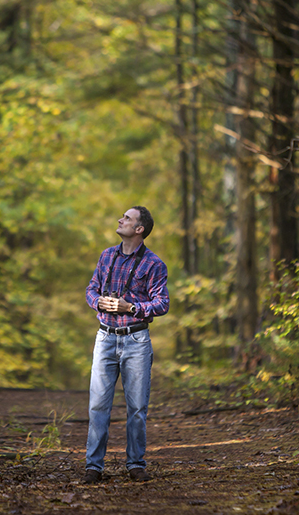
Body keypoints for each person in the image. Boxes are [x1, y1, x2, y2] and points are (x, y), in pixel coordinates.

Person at [83, 206, 169, 483]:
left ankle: (135, 464)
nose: (121, 220)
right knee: (98, 405)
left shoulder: (155, 264)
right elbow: (91, 289)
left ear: (139, 229)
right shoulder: (107, 255)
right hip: (105, 337)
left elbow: (162, 304)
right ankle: (93, 467)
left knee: (137, 408)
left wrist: (130, 307)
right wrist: (97, 302)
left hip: (136, 340)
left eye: (128, 218)